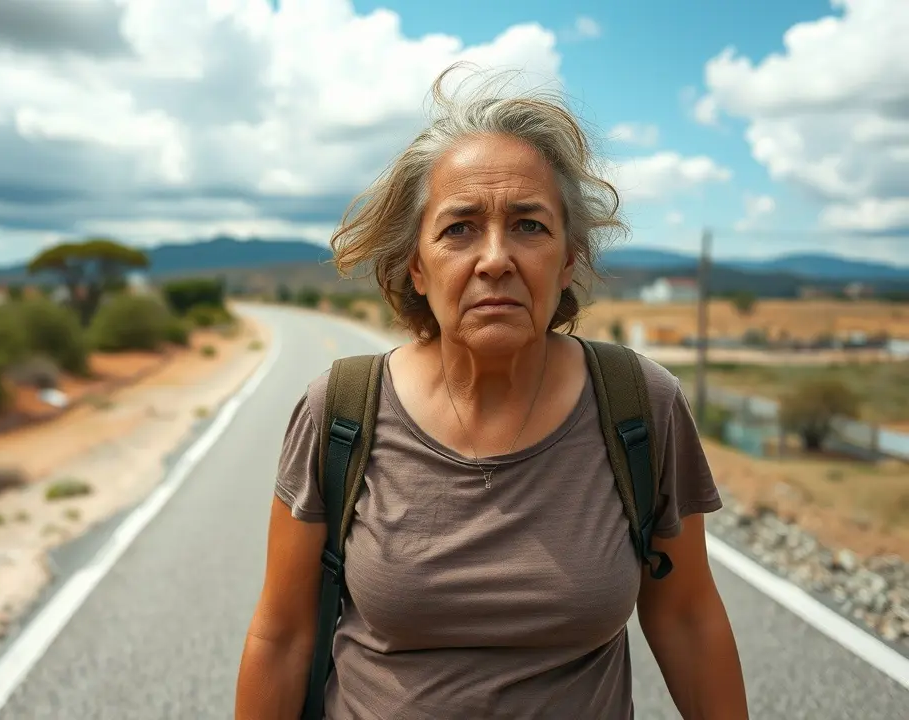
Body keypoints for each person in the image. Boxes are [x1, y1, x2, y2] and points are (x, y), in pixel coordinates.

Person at [234, 63, 749, 720]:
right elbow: (281, 637)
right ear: (417, 267)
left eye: (530, 225)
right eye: (460, 228)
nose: (496, 258)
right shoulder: (340, 411)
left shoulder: (638, 407)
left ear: (567, 261)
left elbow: (687, 619)